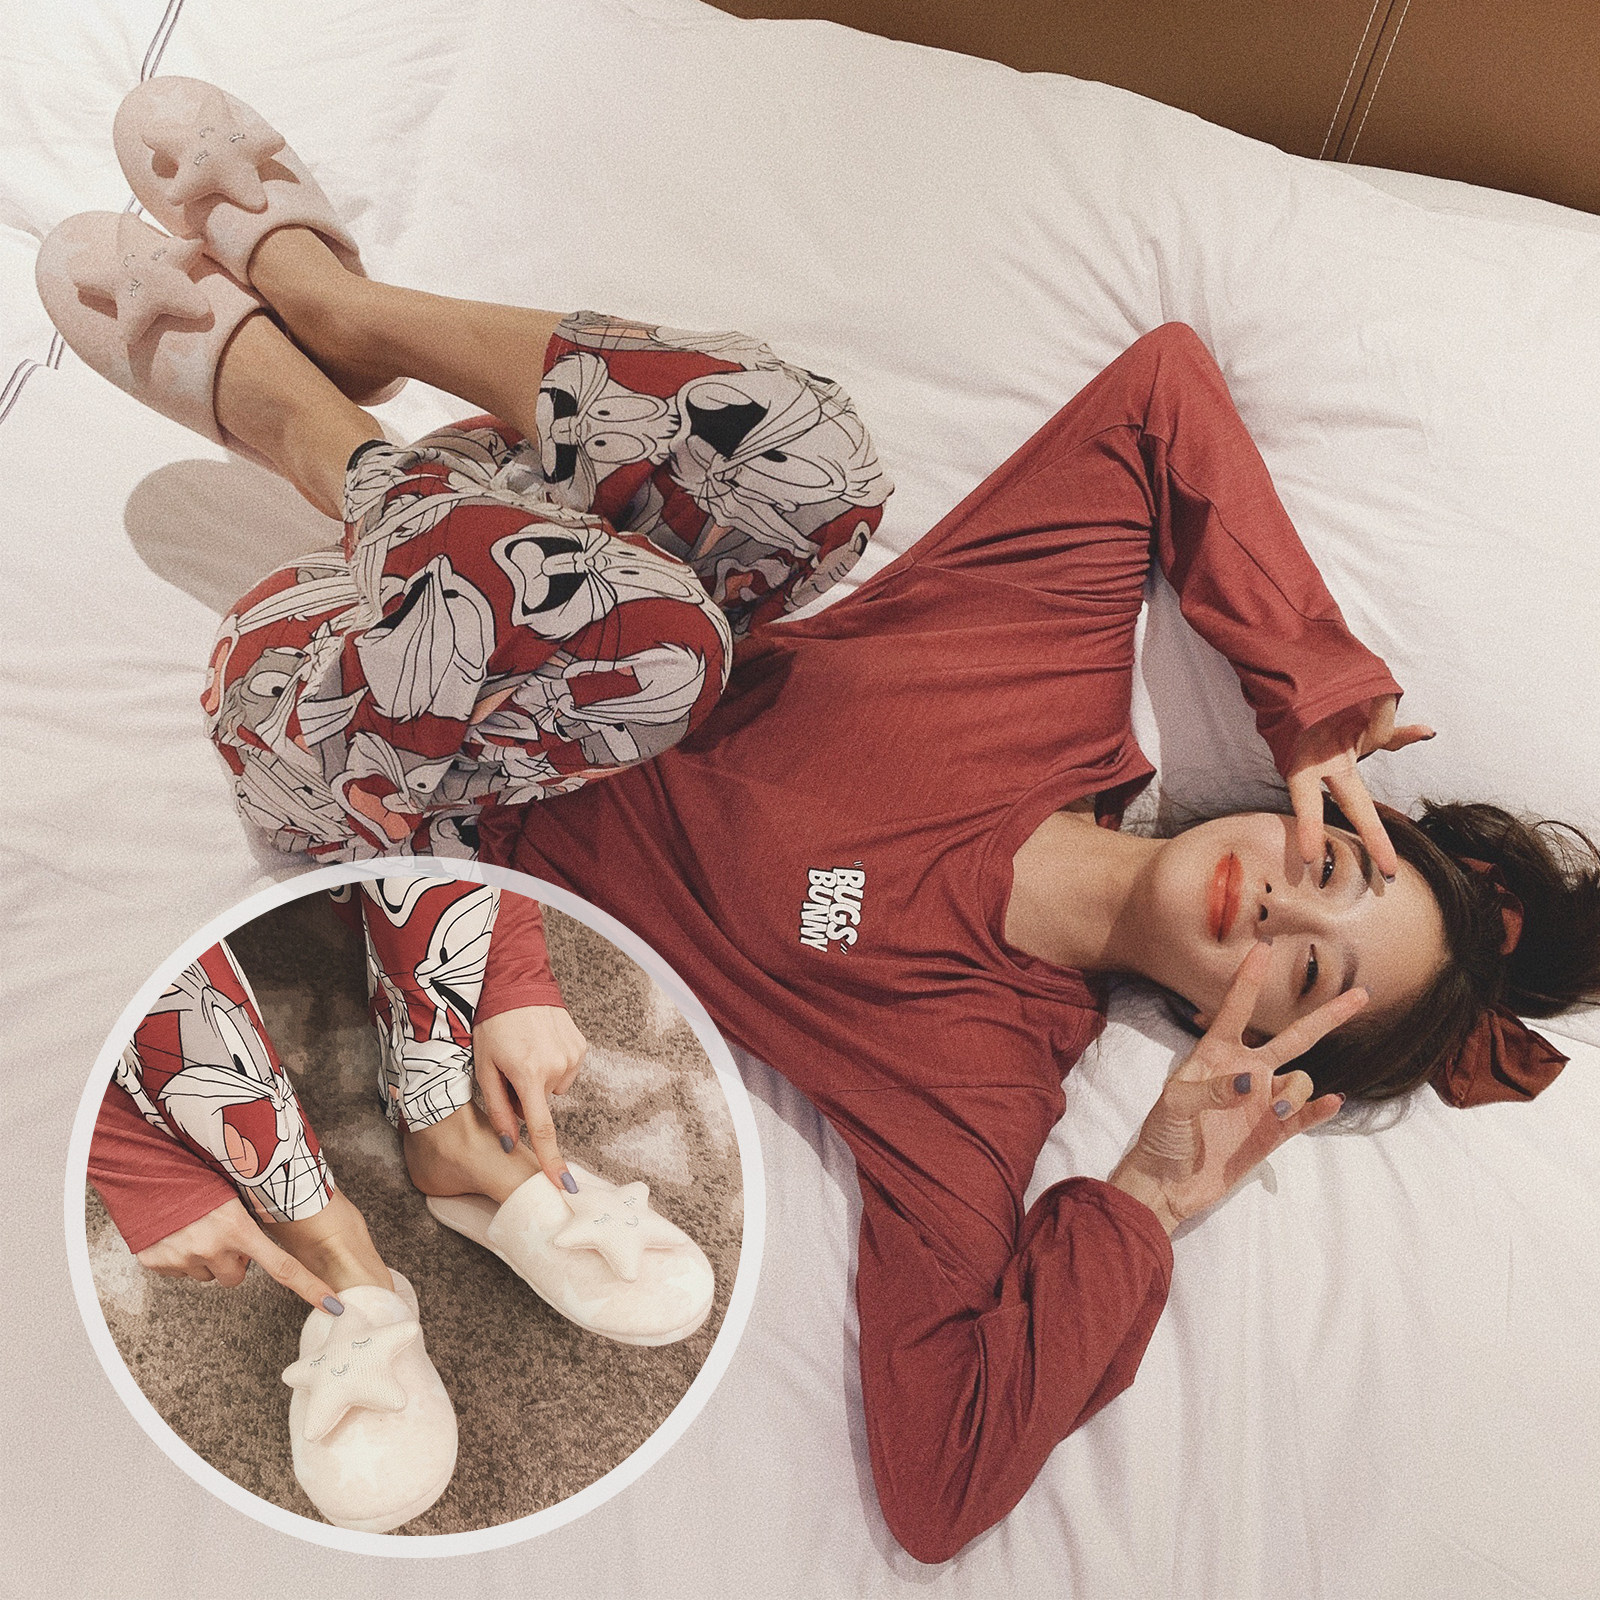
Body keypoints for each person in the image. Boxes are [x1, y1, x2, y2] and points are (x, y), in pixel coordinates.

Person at [46, 82, 1600, 1559]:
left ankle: (298, 424)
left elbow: (941, 1480)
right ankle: (341, 313)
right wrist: (1310, 683)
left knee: (663, 655)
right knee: (815, 468)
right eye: (1334, 867)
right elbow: (1162, 391)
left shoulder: (976, 1071)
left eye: (1308, 971)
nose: (1283, 906)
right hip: (509, 538)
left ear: (1255, 1041)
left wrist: (1148, 1194)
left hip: (354, 735)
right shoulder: (1055, 673)